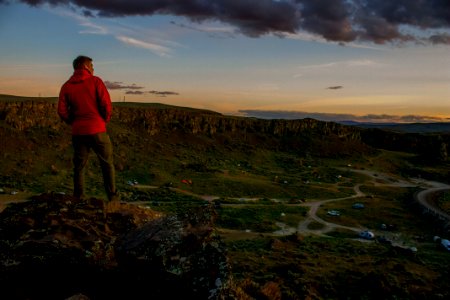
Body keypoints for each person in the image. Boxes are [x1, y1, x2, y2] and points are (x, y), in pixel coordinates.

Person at [58, 55, 118, 201]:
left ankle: (79, 196)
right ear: (85, 66)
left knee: (79, 166)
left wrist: (74, 122)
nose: (93, 68)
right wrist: (104, 120)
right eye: (91, 65)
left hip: (78, 132)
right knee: (107, 164)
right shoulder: (95, 81)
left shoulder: (66, 86)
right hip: (97, 129)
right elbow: (106, 105)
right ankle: (113, 197)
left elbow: (61, 110)